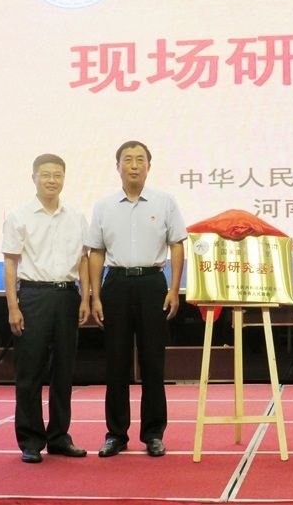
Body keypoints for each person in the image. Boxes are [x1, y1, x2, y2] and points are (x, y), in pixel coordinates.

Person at [86, 140, 187, 458]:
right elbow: (96, 252)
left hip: (152, 284)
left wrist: (174, 289)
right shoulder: (103, 206)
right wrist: (95, 295)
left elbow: (177, 245)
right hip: (115, 284)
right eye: (127, 160)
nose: (134, 165)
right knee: (115, 362)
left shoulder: (165, 201)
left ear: (149, 166)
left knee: (153, 361)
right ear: (117, 167)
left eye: (140, 159)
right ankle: (116, 434)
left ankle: (153, 433)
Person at [2, 153, 90, 463]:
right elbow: (10, 263)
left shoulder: (76, 216)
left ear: (64, 178)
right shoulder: (19, 216)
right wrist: (13, 306)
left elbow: (83, 260)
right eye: (46, 175)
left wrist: (85, 297)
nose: (52, 180)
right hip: (33, 296)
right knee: (30, 371)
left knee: (64, 370)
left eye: (57, 175)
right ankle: (30, 440)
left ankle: (59, 437)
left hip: (67, 296)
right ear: (34, 178)